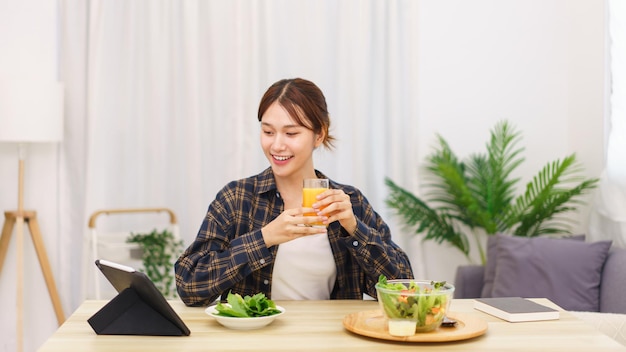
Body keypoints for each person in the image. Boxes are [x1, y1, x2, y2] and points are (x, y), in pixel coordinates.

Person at [175, 78, 413, 306]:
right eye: (268, 132)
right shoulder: (237, 198)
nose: (277, 145)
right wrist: (264, 237)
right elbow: (189, 287)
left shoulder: (349, 202)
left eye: (291, 134)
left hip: (329, 340)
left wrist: (354, 228)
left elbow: (404, 290)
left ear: (319, 134)